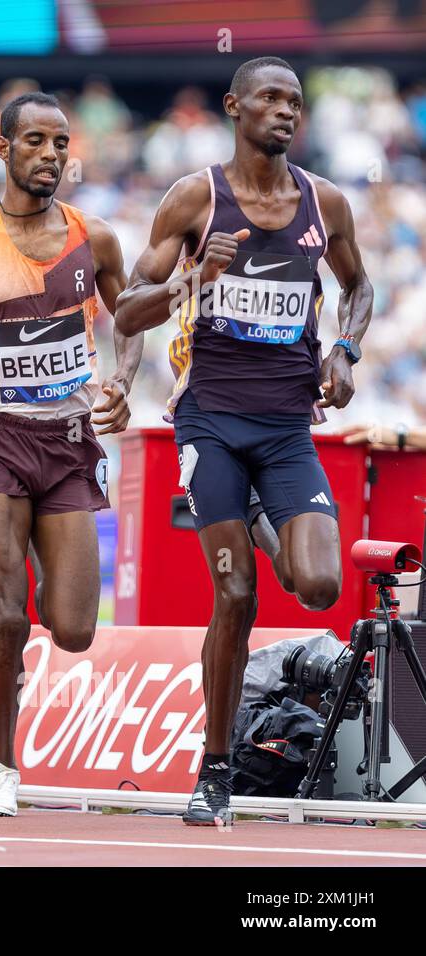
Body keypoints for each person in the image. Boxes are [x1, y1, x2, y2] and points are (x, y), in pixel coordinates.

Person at [115, 57, 372, 825]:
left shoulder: (324, 204)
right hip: (212, 423)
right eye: (270, 98)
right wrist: (188, 281)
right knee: (235, 595)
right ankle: (216, 770)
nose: (286, 112)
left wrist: (345, 352)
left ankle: (262, 517)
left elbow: (359, 287)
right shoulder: (195, 197)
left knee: (320, 588)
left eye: (296, 101)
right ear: (235, 107)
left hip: (288, 426)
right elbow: (128, 310)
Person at [0, 93, 141, 818]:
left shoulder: (95, 237)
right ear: (4, 149)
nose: (51, 153)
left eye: (61, 141)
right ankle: (2, 768)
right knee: (8, 612)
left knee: (71, 629)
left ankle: (35, 581)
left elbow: (129, 317)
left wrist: (123, 381)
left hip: (70, 441)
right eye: (35, 140)